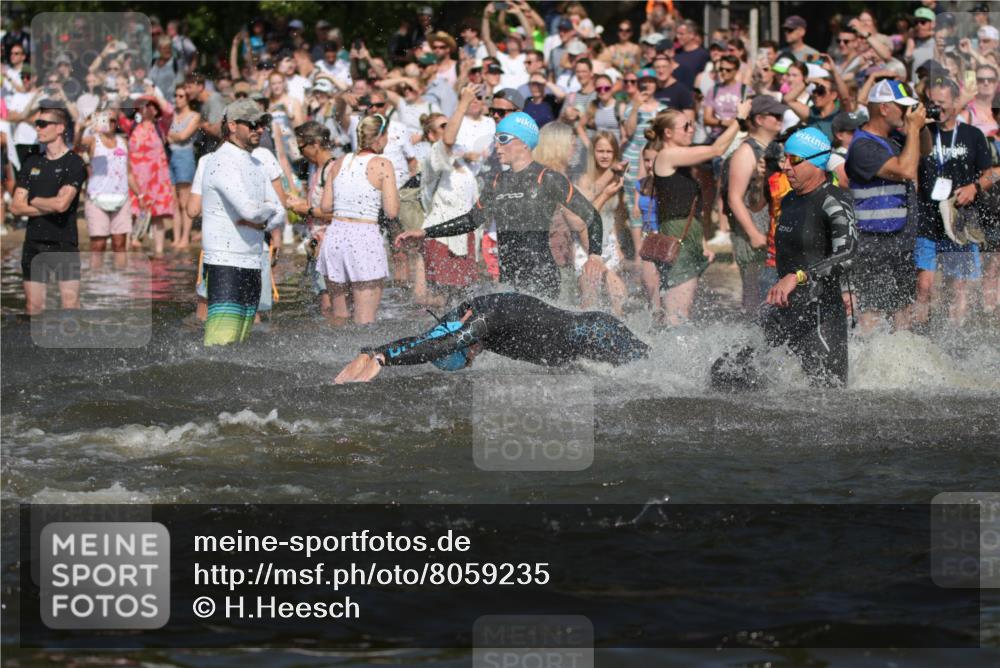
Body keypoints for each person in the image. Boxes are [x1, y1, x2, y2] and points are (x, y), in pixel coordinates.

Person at [395, 112, 606, 298]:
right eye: (496, 139)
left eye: (503, 139)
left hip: (543, 278)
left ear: (524, 142)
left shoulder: (547, 178)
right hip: (509, 279)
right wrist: (425, 232)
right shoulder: (497, 182)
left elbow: (592, 216)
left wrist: (594, 255)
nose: (497, 146)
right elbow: (472, 220)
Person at [712, 128, 858, 389]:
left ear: (816, 162)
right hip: (783, 311)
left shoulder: (834, 202)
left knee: (828, 394)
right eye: (784, 159)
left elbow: (847, 254)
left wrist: (800, 276)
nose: (786, 166)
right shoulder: (790, 199)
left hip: (820, 315)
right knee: (725, 373)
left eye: (794, 160)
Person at [333, 292, 650, 383]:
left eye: (466, 359)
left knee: (653, 374)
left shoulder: (485, 321)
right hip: (585, 342)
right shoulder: (469, 313)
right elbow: (432, 337)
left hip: (596, 335)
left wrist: (382, 357)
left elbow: (441, 344)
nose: (472, 361)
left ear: (468, 346)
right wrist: (370, 352)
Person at [648, 102, 750, 325]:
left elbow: (689, 207)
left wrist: (702, 242)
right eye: (686, 126)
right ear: (668, 132)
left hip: (688, 234)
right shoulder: (666, 155)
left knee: (681, 310)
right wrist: (739, 119)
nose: (691, 130)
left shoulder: (681, 158)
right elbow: (717, 150)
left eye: (692, 125)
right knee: (678, 315)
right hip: (678, 235)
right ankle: (672, 356)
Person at [845, 78, 930, 331]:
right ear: (884, 108)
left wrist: (921, 128)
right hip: (874, 246)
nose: (907, 113)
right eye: (903, 107)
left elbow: (923, 152)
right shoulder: (862, 145)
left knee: (902, 310)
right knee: (872, 313)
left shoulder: (892, 140)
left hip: (899, 243)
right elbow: (905, 169)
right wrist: (913, 129)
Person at [199, 100, 285, 345]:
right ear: (233, 125)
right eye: (254, 124)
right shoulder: (220, 160)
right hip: (225, 261)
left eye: (263, 124)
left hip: (253, 259)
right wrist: (262, 216)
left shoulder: (256, 163)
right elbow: (250, 211)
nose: (260, 129)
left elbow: (278, 211)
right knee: (219, 343)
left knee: (240, 343)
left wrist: (262, 221)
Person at [914, 77, 993, 327]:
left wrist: (975, 186)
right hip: (927, 219)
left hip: (959, 221)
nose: (938, 108)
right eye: (932, 102)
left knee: (958, 287)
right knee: (924, 286)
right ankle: (922, 338)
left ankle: (954, 338)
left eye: (943, 103)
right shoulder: (921, 133)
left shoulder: (973, 135)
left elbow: (992, 172)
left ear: (957, 102)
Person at [318, 114, 400, 324]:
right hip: (364, 239)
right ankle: (363, 357)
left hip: (335, 236)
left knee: (340, 316)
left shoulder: (340, 162)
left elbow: (325, 206)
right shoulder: (383, 164)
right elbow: (391, 211)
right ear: (379, 138)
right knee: (365, 320)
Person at [10, 105, 87, 315]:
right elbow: (16, 206)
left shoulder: (74, 163)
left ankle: (74, 347)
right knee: (33, 308)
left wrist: (33, 199)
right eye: (36, 124)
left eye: (43, 124)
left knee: (70, 307)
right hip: (33, 243)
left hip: (64, 242)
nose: (38, 129)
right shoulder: (31, 162)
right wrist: (48, 205)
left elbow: (62, 204)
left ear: (60, 127)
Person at [724, 96, 787, 318]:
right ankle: (752, 338)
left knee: (768, 290)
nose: (781, 119)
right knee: (753, 291)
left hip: (768, 229)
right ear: (759, 119)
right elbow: (734, 198)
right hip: (751, 231)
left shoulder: (774, 147)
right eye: (776, 116)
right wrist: (752, 233)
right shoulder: (746, 152)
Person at [419, 87, 482, 304]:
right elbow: (446, 142)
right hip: (442, 237)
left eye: (449, 124)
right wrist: (463, 103)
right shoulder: (432, 158)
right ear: (431, 135)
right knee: (441, 300)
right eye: (442, 126)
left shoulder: (461, 163)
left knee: (464, 300)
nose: (449, 129)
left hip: (465, 236)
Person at [574, 130, 629, 315]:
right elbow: (585, 214)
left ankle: (617, 336)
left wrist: (618, 245)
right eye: (600, 151)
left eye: (609, 152)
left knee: (617, 297)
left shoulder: (616, 179)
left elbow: (611, 215)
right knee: (591, 295)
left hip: (609, 243)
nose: (605, 156)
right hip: (586, 244)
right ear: (593, 153)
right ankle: (584, 336)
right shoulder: (584, 180)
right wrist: (611, 175)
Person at [79, 111, 130, 258]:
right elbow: (77, 145)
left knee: (119, 245)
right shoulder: (92, 140)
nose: (109, 124)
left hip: (121, 197)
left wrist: (140, 195)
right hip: (96, 197)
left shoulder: (123, 142)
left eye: (113, 120)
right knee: (98, 245)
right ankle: (96, 279)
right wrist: (82, 129)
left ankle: (121, 278)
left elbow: (129, 171)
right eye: (105, 120)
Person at [128, 95, 174, 255]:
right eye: (144, 106)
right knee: (132, 213)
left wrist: (155, 95)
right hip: (136, 177)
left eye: (152, 106)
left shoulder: (161, 125)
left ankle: (159, 252)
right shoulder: (132, 125)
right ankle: (130, 247)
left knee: (158, 216)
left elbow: (169, 111)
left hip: (157, 178)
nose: (148, 108)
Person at [167, 84, 200, 249]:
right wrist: (173, 137)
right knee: (174, 201)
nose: (177, 99)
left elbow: (183, 136)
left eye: (181, 96)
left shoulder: (194, 116)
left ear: (187, 98)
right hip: (171, 156)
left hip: (185, 156)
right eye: (176, 95)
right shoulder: (172, 115)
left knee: (185, 200)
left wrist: (172, 136)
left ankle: (185, 237)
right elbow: (169, 136)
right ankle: (176, 237)